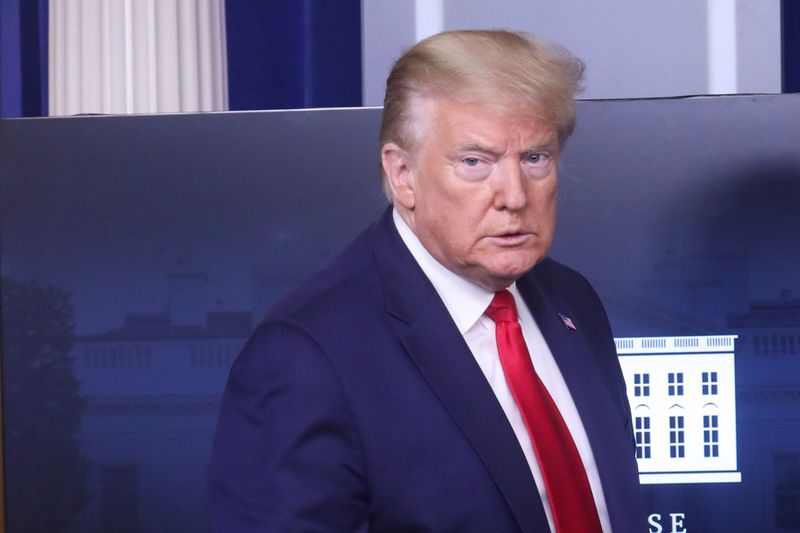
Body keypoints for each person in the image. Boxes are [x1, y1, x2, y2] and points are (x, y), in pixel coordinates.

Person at [211, 29, 645, 532]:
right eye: (474, 162)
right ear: (403, 175)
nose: (514, 195)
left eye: (534, 158)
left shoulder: (573, 301)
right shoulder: (306, 354)